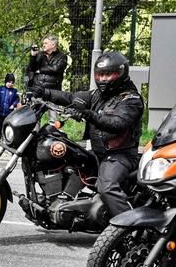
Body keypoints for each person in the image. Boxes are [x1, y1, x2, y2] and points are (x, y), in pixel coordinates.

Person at [29, 51, 144, 218]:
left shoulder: (131, 99)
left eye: (108, 74)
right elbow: (69, 96)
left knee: (107, 187)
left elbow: (117, 124)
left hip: (120, 155)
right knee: (72, 161)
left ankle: (130, 229)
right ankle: (62, 202)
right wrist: (43, 92)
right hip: (99, 153)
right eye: (100, 75)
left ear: (120, 73)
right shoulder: (99, 95)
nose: (103, 79)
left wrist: (89, 114)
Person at [0, 73, 20, 139]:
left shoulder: (14, 91)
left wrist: (13, 105)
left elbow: (17, 99)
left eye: (12, 83)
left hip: (8, 113)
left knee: (7, 126)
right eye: (9, 82)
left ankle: (5, 138)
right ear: (6, 81)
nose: (10, 84)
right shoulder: (0, 89)